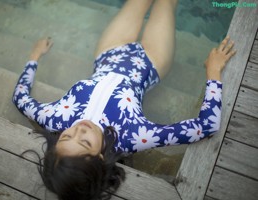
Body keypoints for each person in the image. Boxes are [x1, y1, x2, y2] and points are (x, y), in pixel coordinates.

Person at [12, 0, 236, 199]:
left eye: (66, 137)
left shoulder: (55, 121)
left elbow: (19, 97)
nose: (79, 129)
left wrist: (34, 56)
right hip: (152, 60)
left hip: (109, 53)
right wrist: (213, 72)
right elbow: (207, 125)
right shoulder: (131, 136)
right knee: (166, 2)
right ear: (100, 158)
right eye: (85, 141)